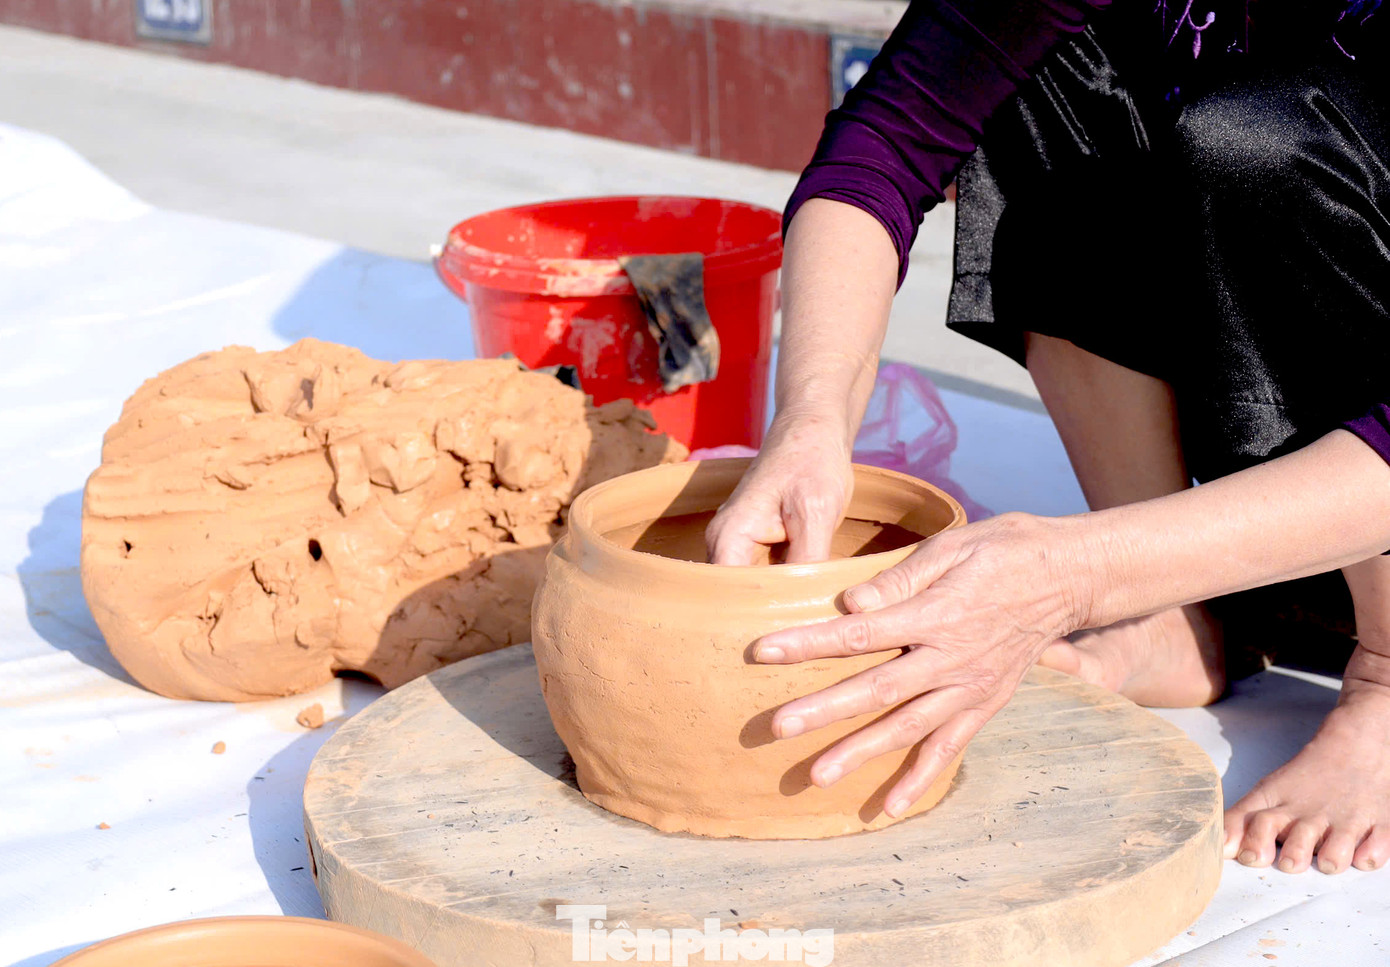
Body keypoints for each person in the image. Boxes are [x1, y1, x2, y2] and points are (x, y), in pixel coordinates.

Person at [706, 0, 1390, 876]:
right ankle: (1173, 615)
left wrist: (1069, 576)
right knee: (1040, 79)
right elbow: (889, 137)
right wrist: (809, 417)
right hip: (1282, 456)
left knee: (1264, 136)